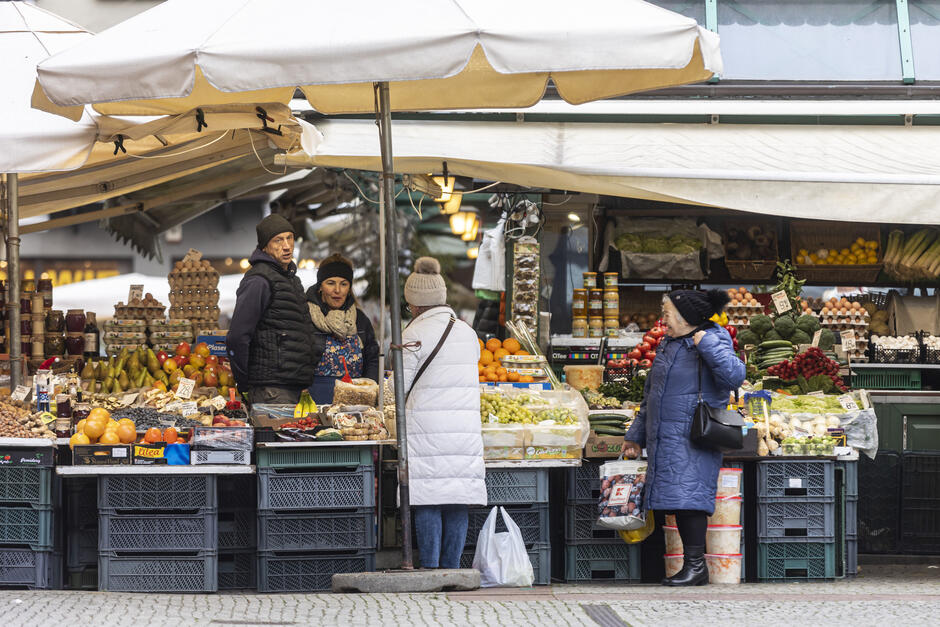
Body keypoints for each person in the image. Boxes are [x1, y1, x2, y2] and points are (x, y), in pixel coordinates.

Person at [623, 289, 745, 586]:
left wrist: (708, 347)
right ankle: (688, 566)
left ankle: (696, 567)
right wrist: (635, 435)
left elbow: (735, 376)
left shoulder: (712, 338)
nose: (662, 318)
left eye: (666, 312)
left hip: (694, 433)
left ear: (686, 316)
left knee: (690, 500)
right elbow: (651, 393)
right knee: (676, 500)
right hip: (666, 433)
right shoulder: (669, 343)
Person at [400, 256, 486, 569]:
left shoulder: (412, 335)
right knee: (456, 499)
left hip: (426, 429)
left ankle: (430, 567)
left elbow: (400, 387)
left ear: (415, 304)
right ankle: (452, 567)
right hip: (463, 431)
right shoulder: (467, 333)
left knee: (427, 497)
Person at [226, 214, 315, 405]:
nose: (286, 245)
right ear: (265, 246)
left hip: (292, 386)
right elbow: (237, 337)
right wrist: (244, 384)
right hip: (271, 390)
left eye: (289, 238)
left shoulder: (291, 279)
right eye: (278, 240)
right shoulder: (258, 281)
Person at [305, 254, 380, 405]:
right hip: (314, 399)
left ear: (349, 287)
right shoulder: (305, 317)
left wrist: (368, 389)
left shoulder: (360, 320)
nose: (337, 290)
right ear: (320, 286)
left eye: (344, 284)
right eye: (331, 283)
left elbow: (372, 358)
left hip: (354, 402)